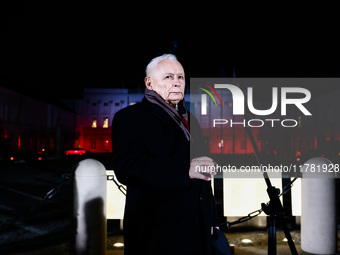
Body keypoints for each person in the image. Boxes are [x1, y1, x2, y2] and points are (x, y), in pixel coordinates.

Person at [112, 54, 219, 255]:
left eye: (181, 77)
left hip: (196, 231)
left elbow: (203, 175)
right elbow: (127, 168)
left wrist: (211, 220)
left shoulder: (190, 119)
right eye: (168, 77)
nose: (177, 83)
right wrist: (185, 171)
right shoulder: (129, 118)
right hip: (155, 233)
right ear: (149, 83)